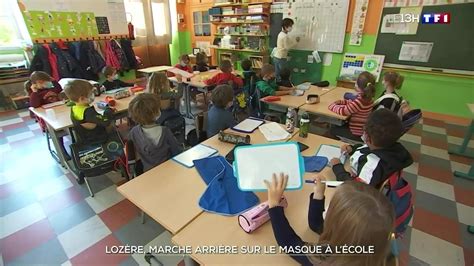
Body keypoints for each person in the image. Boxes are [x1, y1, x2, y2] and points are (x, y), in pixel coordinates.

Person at [266, 174, 395, 266]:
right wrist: (318, 194)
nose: (326, 210)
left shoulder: (327, 259)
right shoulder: (375, 247)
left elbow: (289, 243)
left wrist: (274, 205)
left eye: (330, 209)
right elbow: (316, 225)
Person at [330, 108, 413, 188]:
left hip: (357, 191)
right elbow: (366, 149)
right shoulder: (388, 145)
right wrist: (352, 149)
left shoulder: (372, 165)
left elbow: (355, 188)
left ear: (367, 137)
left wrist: (337, 167)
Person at [128, 93, 182, 172]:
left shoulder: (133, 132)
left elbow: (133, 153)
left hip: (146, 172)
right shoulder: (165, 131)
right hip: (169, 170)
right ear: (156, 113)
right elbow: (177, 152)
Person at [25, 71, 69, 158]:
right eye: (41, 82)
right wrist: (34, 92)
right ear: (34, 84)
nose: (44, 83)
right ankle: (62, 150)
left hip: (59, 112)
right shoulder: (35, 93)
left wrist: (54, 81)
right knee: (56, 131)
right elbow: (35, 105)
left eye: (46, 81)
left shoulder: (52, 88)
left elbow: (59, 90)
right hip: (47, 117)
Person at [328, 71, 375, 141]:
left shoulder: (360, 101)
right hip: (362, 129)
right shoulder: (368, 98)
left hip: (356, 133)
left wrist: (332, 105)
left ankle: (340, 143)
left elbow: (343, 111)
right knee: (337, 124)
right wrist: (342, 102)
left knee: (331, 129)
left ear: (358, 85)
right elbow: (353, 103)